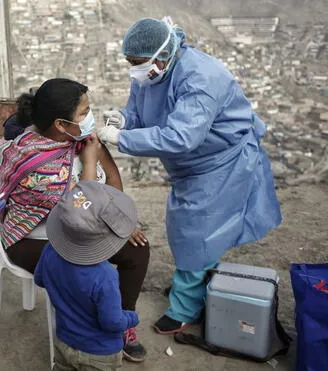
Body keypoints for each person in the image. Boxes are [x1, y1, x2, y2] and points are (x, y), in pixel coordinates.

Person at [98, 17, 282, 334]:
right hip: (190, 164)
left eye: (138, 63)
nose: (134, 69)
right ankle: (194, 285)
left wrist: (121, 139)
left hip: (219, 162)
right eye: (130, 62)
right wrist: (125, 119)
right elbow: (141, 110)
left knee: (198, 231)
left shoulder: (201, 79)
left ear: (162, 55)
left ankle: (185, 307)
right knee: (186, 225)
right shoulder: (151, 71)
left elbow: (182, 138)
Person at [0, 78, 149, 362]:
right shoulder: (39, 163)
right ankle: (87, 338)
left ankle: (120, 321)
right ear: (61, 125)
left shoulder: (79, 140)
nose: (91, 116)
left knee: (137, 248)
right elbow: (79, 211)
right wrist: (89, 162)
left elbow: (112, 179)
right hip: (32, 239)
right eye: (84, 111)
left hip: (81, 228)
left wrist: (121, 223)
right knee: (91, 274)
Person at [35, 181, 140, 371]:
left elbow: (40, 280)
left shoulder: (49, 250)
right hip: (100, 353)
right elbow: (112, 322)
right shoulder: (105, 275)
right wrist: (132, 318)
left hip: (64, 341)